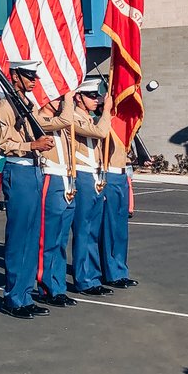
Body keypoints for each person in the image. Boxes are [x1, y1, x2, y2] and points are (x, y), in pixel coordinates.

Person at [0, 61, 72, 320]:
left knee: (32, 235)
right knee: (19, 237)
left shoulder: (27, 105)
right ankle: (13, 298)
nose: (34, 80)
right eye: (28, 75)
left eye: (35, 75)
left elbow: (45, 124)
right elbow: (4, 144)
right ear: (14, 76)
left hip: (35, 170)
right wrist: (32, 145)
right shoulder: (5, 107)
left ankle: (26, 294)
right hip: (20, 169)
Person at [67, 79, 116, 297]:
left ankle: (93, 276)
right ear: (78, 97)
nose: (96, 100)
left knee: (93, 232)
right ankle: (84, 279)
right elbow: (100, 133)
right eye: (91, 96)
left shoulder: (89, 117)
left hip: (96, 175)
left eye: (97, 97)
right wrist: (107, 111)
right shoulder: (73, 119)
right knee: (84, 230)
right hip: (83, 176)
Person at [33, 100, 79, 309]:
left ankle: (58, 286)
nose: (62, 101)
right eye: (58, 97)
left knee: (61, 239)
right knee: (48, 237)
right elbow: (62, 120)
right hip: (51, 178)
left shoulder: (63, 125)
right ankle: (47, 287)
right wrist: (70, 99)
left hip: (68, 179)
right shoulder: (40, 120)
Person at [101, 126, 140, 290]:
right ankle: (111, 273)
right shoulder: (102, 123)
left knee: (120, 230)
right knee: (109, 229)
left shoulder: (123, 125)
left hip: (122, 174)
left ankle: (120, 270)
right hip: (108, 173)